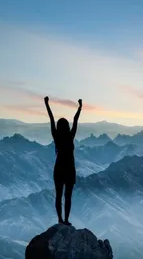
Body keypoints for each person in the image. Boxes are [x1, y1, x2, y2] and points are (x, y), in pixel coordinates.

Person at [44, 96, 82, 226]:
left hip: (59, 169)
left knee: (59, 196)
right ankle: (65, 220)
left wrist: (47, 104)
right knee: (67, 197)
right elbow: (75, 120)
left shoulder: (56, 136)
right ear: (67, 126)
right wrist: (79, 108)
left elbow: (51, 118)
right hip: (70, 169)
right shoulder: (71, 136)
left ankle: (60, 219)